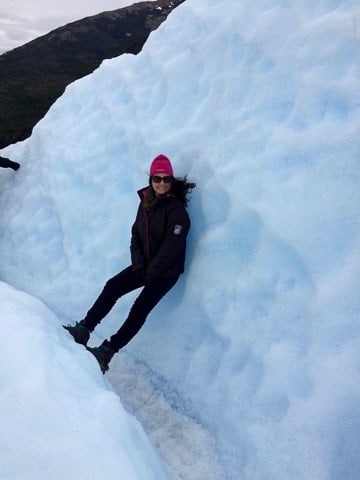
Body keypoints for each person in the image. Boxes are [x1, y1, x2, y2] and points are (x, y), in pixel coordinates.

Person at [64, 154, 195, 373]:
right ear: (150, 180)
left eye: (165, 179)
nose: (161, 183)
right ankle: (84, 329)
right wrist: (138, 264)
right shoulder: (146, 202)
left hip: (165, 272)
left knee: (139, 310)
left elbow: (171, 249)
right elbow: (136, 234)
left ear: (171, 181)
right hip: (144, 266)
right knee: (113, 286)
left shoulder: (177, 211)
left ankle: (107, 352)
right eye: (157, 178)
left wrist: (150, 272)